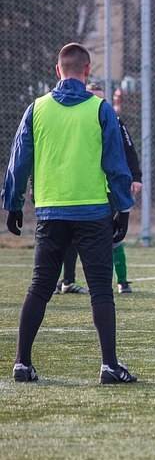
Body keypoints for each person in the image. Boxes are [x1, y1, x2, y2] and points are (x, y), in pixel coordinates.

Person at [3, 42, 137, 384]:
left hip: (50, 212)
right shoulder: (101, 109)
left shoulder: (36, 108)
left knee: (40, 287)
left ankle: (22, 363)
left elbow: (19, 160)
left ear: (57, 70)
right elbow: (116, 163)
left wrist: (13, 203)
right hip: (92, 212)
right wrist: (122, 208)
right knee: (101, 290)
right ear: (88, 71)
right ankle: (109, 366)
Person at [57, 82, 143, 295]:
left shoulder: (114, 119)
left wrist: (136, 177)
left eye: (101, 99)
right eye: (93, 97)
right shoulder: (72, 120)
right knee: (68, 236)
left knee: (112, 234)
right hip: (76, 189)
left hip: (106, 189)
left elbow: (128, 149)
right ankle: (66, 281)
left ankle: (122, 281)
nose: (97, 102)